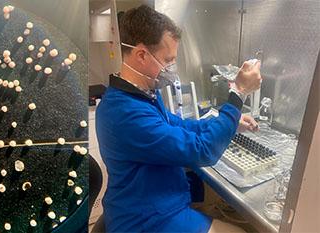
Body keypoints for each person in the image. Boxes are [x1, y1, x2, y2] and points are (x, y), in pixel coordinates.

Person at [95, 5, 261, 233]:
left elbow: (179, 125)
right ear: (142, 54)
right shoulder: (125, 112)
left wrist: (230, 122)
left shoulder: (141, 94)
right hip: (145, 220)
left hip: (150, 204)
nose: (171, 68)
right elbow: (203, 151)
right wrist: (238, 94)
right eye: (168, 59)